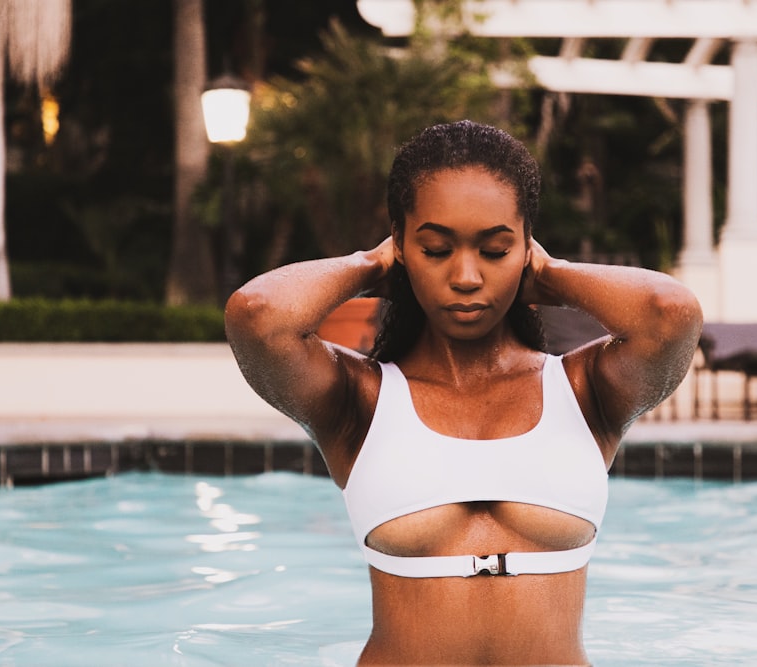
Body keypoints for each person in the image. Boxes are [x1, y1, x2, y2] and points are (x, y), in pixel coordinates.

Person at [225, 120, 702, 666]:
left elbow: (671, 314)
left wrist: (552, 273)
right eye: (434, 248)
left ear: (527, 245)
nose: (467, 276)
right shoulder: (360, 403)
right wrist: (372, 265)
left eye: (496, 250)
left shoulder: (584, 391)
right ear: (401, 242)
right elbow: (257, 315)